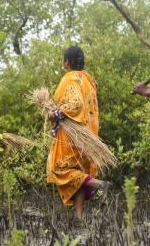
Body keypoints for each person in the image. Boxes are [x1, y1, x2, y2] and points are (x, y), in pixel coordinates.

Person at [47, 46, 110, 221]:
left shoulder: (70, 78)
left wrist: (55, 114)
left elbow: (76, 105)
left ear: (67, 62)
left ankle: (100, 185)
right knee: (80, 175)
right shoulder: (88, 79)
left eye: (63, 59)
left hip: (72, 135)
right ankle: (79, 218)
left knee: (59, 168)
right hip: (88, 135)